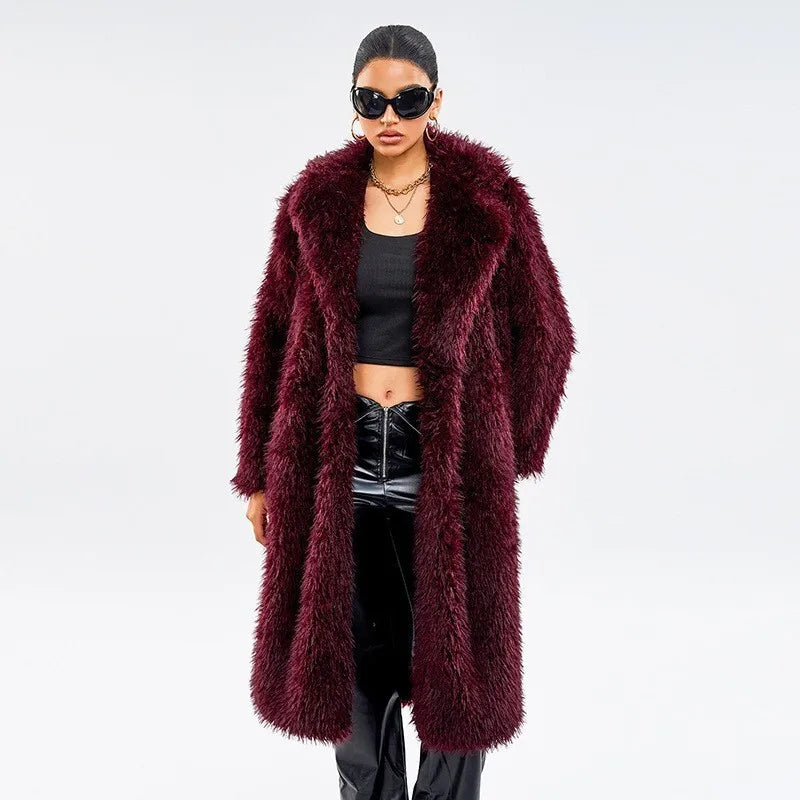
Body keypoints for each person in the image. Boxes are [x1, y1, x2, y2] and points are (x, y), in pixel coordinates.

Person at [231, 24, 577, 800]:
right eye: (373, 99)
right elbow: (273, 335)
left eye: (409, 99)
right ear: (354, 103)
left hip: (443, 461)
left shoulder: (489, 200)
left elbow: (545, 331)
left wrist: (505, 447)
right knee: (348, 667)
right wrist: (259, 473)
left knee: (456, 673)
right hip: (338, 457)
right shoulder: (316, 200)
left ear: (437, 100)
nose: (390, 115)